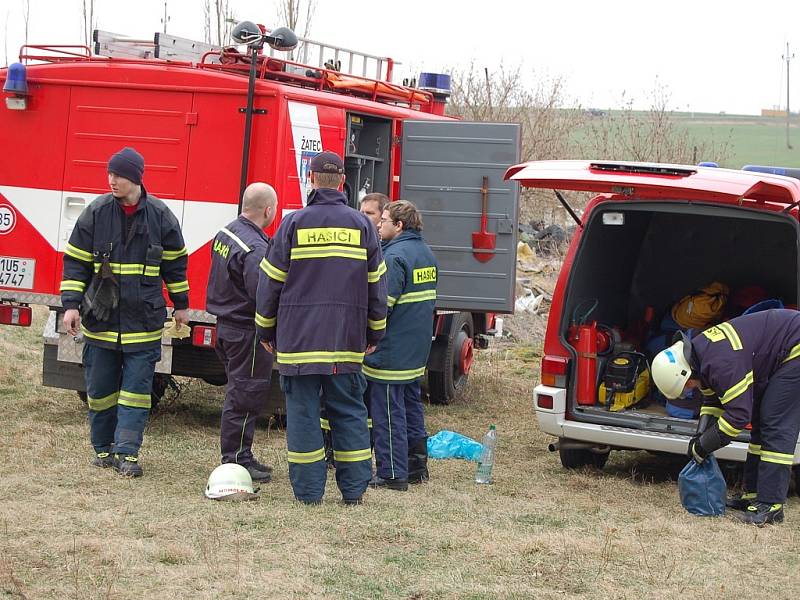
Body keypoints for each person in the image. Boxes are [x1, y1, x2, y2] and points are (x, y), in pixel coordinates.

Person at [255, 150, 387, 505]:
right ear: (343, 182)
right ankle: (354, 492)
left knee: (302, 416)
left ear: (311, 180)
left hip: (298, 344)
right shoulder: (363, 227)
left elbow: (270, 284)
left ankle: (309, 493)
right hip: (346, 342)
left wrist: (266, 331)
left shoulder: (293, 224)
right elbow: (377, 287)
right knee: (349, 413)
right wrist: (374, 333)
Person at [60, 147, 189, 477]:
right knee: (100, 392)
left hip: (143, 324)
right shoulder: (96, 213)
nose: (111, 180)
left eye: (118, 175)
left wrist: (182, 307)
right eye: (110, 174)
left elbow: (176, 265)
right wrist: (71, 306)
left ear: (135, 178)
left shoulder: (161, 217)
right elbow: (75, 263)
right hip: (101, 323)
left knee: (136, 393)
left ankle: (127, 455)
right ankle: (102, 450)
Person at [651, 309, 800, 525]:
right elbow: (712, 403)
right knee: (761, 424)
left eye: (685, 387)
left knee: (774, 423)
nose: (689, 391)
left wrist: (705, 445)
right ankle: (754, 496)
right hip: (782, 350)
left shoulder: (721, 364)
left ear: (684, 373)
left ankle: (771, 506)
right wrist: (699, 437)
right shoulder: (698, 357)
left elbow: (738, 417)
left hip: (794, 349)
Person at [206, 183, 278, 483]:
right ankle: (237, 459)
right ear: (268, 210)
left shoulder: (227, 232)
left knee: (238, 392)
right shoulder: (256, 248)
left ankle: (237, 454)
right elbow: (262, 294)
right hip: (246, 331)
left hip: (225, 325)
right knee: (245, 395)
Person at [365, 200, 437, 491]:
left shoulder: (394, 257)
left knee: (387, 413)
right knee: (411, 407)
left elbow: (383, 307)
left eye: (384, 220)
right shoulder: (426, 253)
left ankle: (392, 473)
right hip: (416, 349)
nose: (379, 225)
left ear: (400, 225)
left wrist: (367, 338)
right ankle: (417, 466)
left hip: (392, 351)